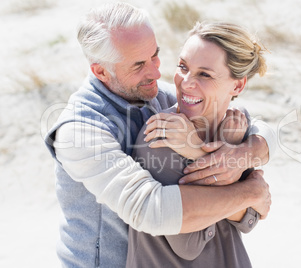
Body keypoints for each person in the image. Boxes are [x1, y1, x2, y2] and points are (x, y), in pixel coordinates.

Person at [44, 3, 275, 267]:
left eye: (156, 55)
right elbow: (152, 211)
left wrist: (243, 152)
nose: (155, 72)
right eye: (139, 64)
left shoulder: (152, 91)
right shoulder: (79, 132)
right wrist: (249, 192)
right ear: (100, 71)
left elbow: (261, 130)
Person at [127, 21, 270, 268]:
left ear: (237, 85)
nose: (185, 82)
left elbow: (251, 219)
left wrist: (229, 146)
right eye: (183, 67)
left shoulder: (237, 124)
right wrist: (250, 192)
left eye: (204, 74)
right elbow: (188, 244)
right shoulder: (160, 138)